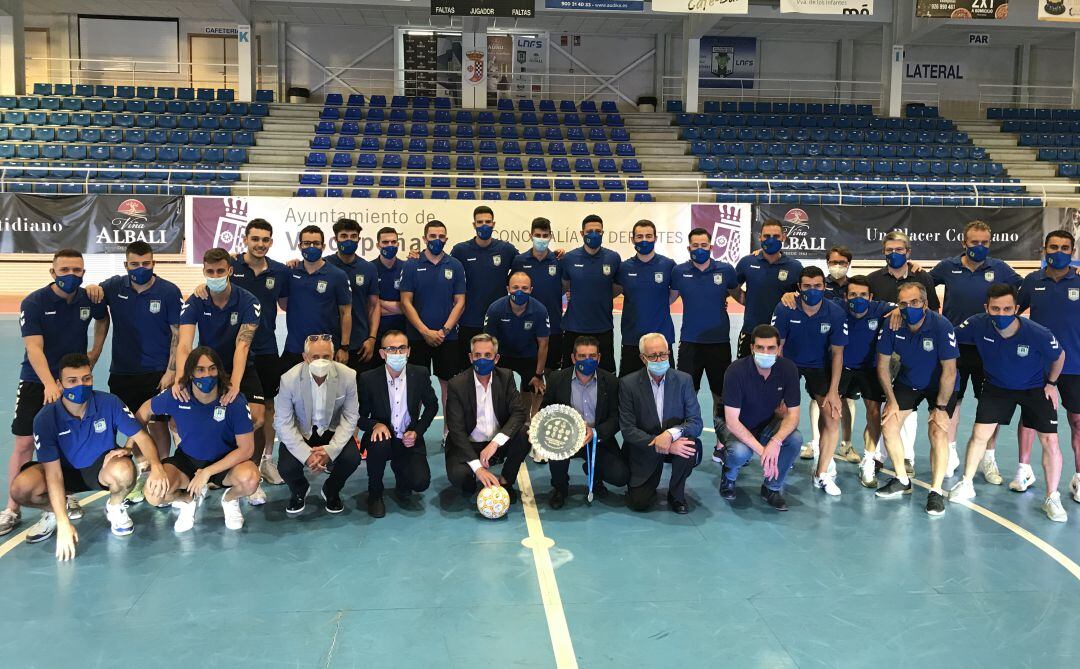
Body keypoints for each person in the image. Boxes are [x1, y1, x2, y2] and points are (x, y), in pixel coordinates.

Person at [9, 353, 167, 558]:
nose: (80, 385)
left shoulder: (109, 403)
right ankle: (54, 511)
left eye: (86, 379)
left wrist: (156, 466)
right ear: (59, 384)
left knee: (125, 470)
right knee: (20, 488)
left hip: (100, 468)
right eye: (72, 381)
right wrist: (64, 523)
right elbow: (54, 475)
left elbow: (142, 437)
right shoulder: (45, 419)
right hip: (63, 472)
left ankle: (115, 506)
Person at [1, 249, 108, 538]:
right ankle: (12, 508)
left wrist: (95, 351)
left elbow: (103, 318)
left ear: (84, 273)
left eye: (77, 270)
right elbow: (34, 348)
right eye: (64, 270)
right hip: (38, 381)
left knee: (67, 441)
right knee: (24, 443)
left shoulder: (89, 297)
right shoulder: (34, 302)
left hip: (73, 381)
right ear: (52, 272)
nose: (71, 275)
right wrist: (50, 383)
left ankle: (64, 493)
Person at [949, 284, 1067, 522]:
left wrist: (1051, 384)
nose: (1001, 314)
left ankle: (1052, 497)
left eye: (1007, 309)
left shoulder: (1037, 333)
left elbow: (1059, 356)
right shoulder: (976, 324)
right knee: (979, 434)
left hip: (1034, 389)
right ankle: (967, 482)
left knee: (1051, 441)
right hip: (997, 387)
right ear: (986, 308)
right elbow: (946, 333)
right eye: (995, 309)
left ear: (1016, 309)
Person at [84, 241, 182, 501]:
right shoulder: (114, 286)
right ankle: (139, 473)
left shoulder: (169, 291)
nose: (141, 268)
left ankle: (161, 475)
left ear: (153, 263)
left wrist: (171, 370)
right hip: (124, 371)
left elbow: (177, 334)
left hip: (158, 372)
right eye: (135, 264)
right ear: (126, 264)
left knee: (159, 426)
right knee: (133, 427)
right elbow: (96, 303)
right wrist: (92, 288)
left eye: (146, 263)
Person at [929, 221, 1021, 483]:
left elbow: (1022, 290)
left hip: (990, 350)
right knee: (951, 405)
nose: (979, 247)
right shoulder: (948, 266)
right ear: (964, 243)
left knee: (989, 406)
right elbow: (924, 285)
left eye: (984, 243)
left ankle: (988, 459)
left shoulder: (999, 268)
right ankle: (950, 454)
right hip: (954, 350)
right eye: (974, 242)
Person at [176, 247, 267, 503]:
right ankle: (207, 470)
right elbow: (184, 345)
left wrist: (235, 384)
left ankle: (250, 472)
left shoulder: (249, 301)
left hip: (240, 367)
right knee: (185, 417)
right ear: (204, 272)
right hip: (207, 369)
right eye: (209, 271)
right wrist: (181, 378)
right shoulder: (195, 301)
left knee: (257, 417)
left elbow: (243, 344)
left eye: (219, 271)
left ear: (229, 271)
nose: (214, 275)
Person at [139, 346, 261, 532]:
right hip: (187, 461)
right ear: (190, 372)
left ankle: (229, 500)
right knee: (154, 494)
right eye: (200, 369)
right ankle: (187, 500)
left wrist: (207, 472)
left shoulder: (233, 400)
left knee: (251, 479)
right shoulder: (178, 396)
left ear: (219, 370)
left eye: (212, 368)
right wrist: (133, 446)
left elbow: (246, 449)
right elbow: (142, 413)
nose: (207, 375)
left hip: (224, 463)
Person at [874, 282, 960, 516]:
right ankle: (902, 480)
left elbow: (949, 371)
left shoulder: (941, 325)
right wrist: (890, 399)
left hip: (939, 385)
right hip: (909, 381)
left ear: (925, 304)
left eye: (914, 302)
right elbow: (882, 366)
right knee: (889, 424)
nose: (908, 307)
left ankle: (936, 491)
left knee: (938, 430)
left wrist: (941, 407)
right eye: (903, 303)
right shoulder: (893, 323)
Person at [867, 230, 939, 475]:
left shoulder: (923, 279)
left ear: (908, 252)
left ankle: (906, 456)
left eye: (899, 250)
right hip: (883, 352)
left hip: (914, 353)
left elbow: (933, 312)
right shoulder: (874, 280)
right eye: (889, 250)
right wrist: (892, 309)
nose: (894, 254)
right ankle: (876, 455)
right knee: (880, 405)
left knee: (908, 407)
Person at [222, 219, 289, 486]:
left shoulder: (280, 271)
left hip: (266, 349)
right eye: (255, 239)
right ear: (245, 240)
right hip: (232, 351)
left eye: (265, 239)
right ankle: (230, 460)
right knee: (229, 405)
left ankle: (266, 461)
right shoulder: (232, 267)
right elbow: (212, 281)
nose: (260, 244)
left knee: (268, 408)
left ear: (271, 242)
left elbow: (284, 302)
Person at [771, 266, 847, 496]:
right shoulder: (785, 308)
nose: (812, 291)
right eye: (807, 286)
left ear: (824, 287)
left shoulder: (834, 312)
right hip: (789, 365)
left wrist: (834, 391)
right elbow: (778, 348)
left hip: (819, 367)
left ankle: (821, 473)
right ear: (799, 288)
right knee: (780, 411)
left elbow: (837, 354)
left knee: (832, 416)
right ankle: (780, 460)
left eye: (817, 286)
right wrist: (778, 387)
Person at [1016, 230, 1080, 499]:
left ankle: (1078, 477)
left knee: (1077, 421)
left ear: (1072, 251)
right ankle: (1023, 469)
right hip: (1038, 367)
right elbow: (1011, 312)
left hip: (1076, 365)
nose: (1059, 252)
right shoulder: (1032, 281)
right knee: (1029, 419)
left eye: (1065, 248)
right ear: (1044, 249)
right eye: (1053, 247)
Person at [717, 325, 804, 511]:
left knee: (794, 439)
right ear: (751, 348)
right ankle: (729, 476)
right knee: (740, 453)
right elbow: (732, 421)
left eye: (771, 348)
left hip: (766, 425)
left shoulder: (788, 369)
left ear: (779, 348)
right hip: (734, 425)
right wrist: (764, 451)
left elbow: (793, 415)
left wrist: (775, 441)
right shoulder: (736, 371)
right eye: (760, 348)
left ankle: (771, 488)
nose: (766, 352)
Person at [273, 334, 362, 516]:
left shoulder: (348, 376)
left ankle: (331, 489)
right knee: (286, 467)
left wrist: (331, 450)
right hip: (302, 432)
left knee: (352, 458)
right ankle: (299, 489)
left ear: (333, 355)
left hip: (331, 429)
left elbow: (351, 417)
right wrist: (306, 456)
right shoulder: (288, 379)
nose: (321, 361)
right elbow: (283, 423)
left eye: (326, 357)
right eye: (315, 357)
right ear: (305, 358)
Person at [670, 227, 738, 459]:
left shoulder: (726, 271)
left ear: (711, 247)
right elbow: (667, 298)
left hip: (719, 343)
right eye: (695, 246)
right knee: (687, 393)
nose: (699, 249)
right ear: (689, 248)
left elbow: (738, 295)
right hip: (690, 343)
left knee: (721, 395)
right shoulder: (678, 272)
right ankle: (685, 441)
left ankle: (721, 445)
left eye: (704, 245)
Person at [618, 333, 703, 514]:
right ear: (642, 358)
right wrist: (662, 444)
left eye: (663, 354)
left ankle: (676, 493)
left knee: (689, 447)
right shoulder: (628, 384)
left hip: (675, 441)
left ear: (669, 353)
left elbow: (696, 422)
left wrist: (671, 435)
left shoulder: (684, 380)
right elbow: (628, 430)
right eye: (652, 356)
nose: (659, 359)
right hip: (645, 447)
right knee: (639, 503)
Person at [357, 331, 439, 517]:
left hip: (408, 437)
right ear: (382, 353)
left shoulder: (420, 374)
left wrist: (417, 432)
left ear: (409, 351)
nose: (397, 353)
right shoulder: (369, 379)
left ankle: (402, 477)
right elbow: (358, 416)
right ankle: (375, 493)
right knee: (378, 444)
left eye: (402, 348)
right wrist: (375, 425)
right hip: (382, 437)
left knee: (420, 483)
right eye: (391, 349)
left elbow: (432, 406)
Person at [541, 335, 628, 508]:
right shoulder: (557, 379)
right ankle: (560, 488)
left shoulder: (611, 382)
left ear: (599, 358)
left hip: (598, 437)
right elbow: (545, 410)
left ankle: (594, 476)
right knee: (555, 447)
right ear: (573, 358)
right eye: (582, 356)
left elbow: (616, 417)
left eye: (592, 356)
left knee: (621, 476)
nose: (587, 360)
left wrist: (596, 432)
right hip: (566, 437)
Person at [444, 334, 529, 504]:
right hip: (468, 443)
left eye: (488, 355)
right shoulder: (456, 385)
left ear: (496, 358)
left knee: (525, 433)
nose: (482, 359)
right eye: (477, 355)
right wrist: (478, 468)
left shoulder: (506, 377)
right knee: (460, 479)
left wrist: (496, 442)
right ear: (470, 357)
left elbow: (519, 412)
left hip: (496, 444)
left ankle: (505, 481)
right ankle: (476, 475)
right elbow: (456, 431)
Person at [400, 220, 467, 436]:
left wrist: (444, 331)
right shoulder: (411, 265)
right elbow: (405, 302)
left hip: (447, 338)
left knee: (449, 386)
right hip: (418, 337)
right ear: (424, 238)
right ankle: (413, 431)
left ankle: (449, 433)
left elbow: (460, 302)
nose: (437, 240)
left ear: (446, 239)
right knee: (416, 385)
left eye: (441, 236)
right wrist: (424, 331)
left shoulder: (455, 265)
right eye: (432, 236)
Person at [833, 276, 892, 488]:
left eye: (863, 295)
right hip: (842, 368)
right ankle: (827, 459)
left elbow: (902, 308)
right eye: (853, 295)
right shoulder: (837, 308)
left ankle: (869, 460)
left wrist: (896, 311)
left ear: (871, 297)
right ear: (845, 296)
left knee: (874, 412)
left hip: (870, 369)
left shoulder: (882, 309)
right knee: (831, 409)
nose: (858, 299)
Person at [450, 206, 518, 367]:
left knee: (500, 370)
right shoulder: (460, 250)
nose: (484, 225)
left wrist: (556, 254)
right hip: (469, 320)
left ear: (494, 224)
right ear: (474, 225)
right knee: (467, 369)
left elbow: (526, 266)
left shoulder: (506, 249)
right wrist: (419, 255)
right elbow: (443, 266)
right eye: (480, 222)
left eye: (488, 222)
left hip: (500, 319)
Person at [278, 224, 353, 372]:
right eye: (307, 243)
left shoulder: (337, 275)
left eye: (316, 243)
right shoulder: (290, 272)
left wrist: (344, 347)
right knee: (292, 393)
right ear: (299, 246)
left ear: (323, 246)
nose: (311, 247)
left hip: (325, 350)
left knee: (327, 393)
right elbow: (284, 304)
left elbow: (346, 313)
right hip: (295, 348)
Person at [615, 220, 677, 377]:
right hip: (632, 339)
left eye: (648, 236)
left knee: (667, 387)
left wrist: (658, 304)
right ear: (632, 239)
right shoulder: (623, 268)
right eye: (640, 236)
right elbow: (612, 291)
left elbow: (673, 295)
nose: (644, 240)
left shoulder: (668, 265)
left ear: (655, 238)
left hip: (661, 339)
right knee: (628, 388)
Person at [732, 219, 802, 359]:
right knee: (746, 374)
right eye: (766, 236)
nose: (771, 240)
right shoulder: (747, 262)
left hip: (782, 333)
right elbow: (733, 286)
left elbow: (802, 295)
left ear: (783, 237)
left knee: (780, 376)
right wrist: (745, 300)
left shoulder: (795, 267)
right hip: (751, 330)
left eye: (776, 236)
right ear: (760, 237)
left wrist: (793, 296)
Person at [561, 214, 621, 373]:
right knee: (568, 376)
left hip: (603, 327)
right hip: (574, 327)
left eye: (598, 231)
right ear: (582, 233)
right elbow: (565, 285)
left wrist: (601, 294)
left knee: (606, 378)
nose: (594, 234)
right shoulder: (569, 258)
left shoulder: (613, 258)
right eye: (589, 231)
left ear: (603, 233)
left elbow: (618, 286)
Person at [483, 271, 550, 413]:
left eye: (525, 288)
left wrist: (538, 375)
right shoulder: (495, 309)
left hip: (527, 355)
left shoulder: (540, 311)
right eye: (515, 287)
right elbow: (488, 343)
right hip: (502, 355)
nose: (520, 292)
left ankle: (528, 421)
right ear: (508, 289)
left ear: (531, 290)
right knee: (496, 388)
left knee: (536, 388)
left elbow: (543, 344)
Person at [325, 217, 380, 372]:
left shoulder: (368, 268)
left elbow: (374, 306)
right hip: (327, 343)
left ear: (358, 239)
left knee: (360, 393)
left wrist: (371, 339)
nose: (348, 240)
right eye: (344, 236)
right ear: (335, 239)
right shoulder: (323, 265)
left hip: (360, 344)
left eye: (353, 237)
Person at [511, 217, 564, 372]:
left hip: (553, 327)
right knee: (528, 377)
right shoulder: (519, 261)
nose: (541, 239)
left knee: (552, 375)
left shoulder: (559, 260)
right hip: (526, 327)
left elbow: (567, 285)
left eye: (545, 235)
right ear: (530, 235)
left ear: (551, 236)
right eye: (538, 235)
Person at [373, 226, 407, 342]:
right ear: (378, 245)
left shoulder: (407, 268)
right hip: (376, 334)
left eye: (393, 242)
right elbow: (367, 307)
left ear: (398, 244)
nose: (390, 245)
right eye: (385, 242)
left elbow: (413, 306)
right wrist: (402, 307)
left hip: (404, 333)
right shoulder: (369, 268)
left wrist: (379, 303)